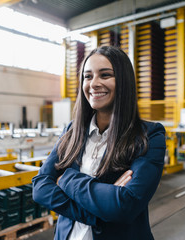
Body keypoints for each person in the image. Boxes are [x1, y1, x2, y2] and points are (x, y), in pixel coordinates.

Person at [32, 45, 166, 240]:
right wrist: (96, 212)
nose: (93, 83)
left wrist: (67, 179)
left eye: (105, 75)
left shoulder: (149, 136)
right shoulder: (71, 131)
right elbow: (40, 188)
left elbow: (126, 205)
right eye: (87, 76)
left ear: (124, 81)